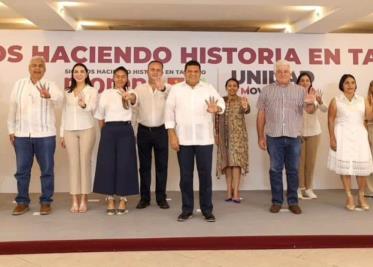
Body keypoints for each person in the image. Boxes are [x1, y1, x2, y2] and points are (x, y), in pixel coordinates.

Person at [165, 60, 225, 222]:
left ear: (200, 73)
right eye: (189, 71)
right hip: (183, 140)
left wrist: (216, 109)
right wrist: (172, 135)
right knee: (185, 177)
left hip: (204, 139)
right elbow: (169, 113)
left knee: (205, 176)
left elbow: (221, 103)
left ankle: (207, 210)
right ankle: (187, 209)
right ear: (184, 73)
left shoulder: (208, 88)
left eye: (195, 71)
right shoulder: (176, 90)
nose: (192, 74)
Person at [256, 60, 316, 215]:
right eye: (279, 71)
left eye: (286, 71)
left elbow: (309, 110)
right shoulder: (266, 90)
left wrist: (312, 102)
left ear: (291, 74)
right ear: (275, 73)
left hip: (293, 136)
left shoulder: (300, 91)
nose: (282, 74)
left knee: (293, 170)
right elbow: (261, 114)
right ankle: (276, 201)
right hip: (273, 136)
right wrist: (260, 136)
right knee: (275, 170)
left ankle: (293, 201)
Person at [7, 56, 63, 215]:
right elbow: (12, 108)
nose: (37, 68)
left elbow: (60, 101)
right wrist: (11, 130)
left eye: (40, 66)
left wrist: (49, 95)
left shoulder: (51, 85)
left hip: (45, 135)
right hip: (22, 135)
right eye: (34, 66)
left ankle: (46, 201)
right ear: (29, 68)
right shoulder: (19, 84)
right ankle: (22, 201)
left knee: (47, 170)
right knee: (22, 171)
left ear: (44, 69)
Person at [93, 66, 139, 215]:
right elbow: (100, 117)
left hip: (125, 130)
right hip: (108, 130)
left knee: (124, 164)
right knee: (108, 165)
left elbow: (134, 101)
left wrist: (129, 97)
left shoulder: (131, 92)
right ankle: (110, 198)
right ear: (113, 78)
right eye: (117, 76)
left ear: (127, 78)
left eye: (123, 76)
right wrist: (105, 133)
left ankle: (123, 199)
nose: (120, 79)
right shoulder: (105, 94)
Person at [327, 74, 373, 211]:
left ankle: (361, 196)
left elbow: (369, 117)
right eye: (347, 83)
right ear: (342, 85)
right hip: (342, 134)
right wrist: (332, 138)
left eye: (353, 82)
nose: (350, 85)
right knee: (345, 168)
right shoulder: (335, 100)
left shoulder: (362, 100)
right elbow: (330, 119)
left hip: (359, 135)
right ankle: (349, 196)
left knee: (362, 168)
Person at [60, 63, 98, 213]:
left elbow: (92, 108)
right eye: (76, 71)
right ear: (72, 74)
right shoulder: (67, 92)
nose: (79, 74)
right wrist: (62, 134)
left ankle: (84, 198)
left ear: (87, 74)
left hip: (87, 129)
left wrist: (83, 104)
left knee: (85, 163)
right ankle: (74, 199)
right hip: (69, 130)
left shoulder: (92, 90)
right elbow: (64, 113)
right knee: (73, 164)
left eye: (82, 71)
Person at [134, 60, 170, 209]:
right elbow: (133, 102)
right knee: (144, 167)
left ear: (162, 72)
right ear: (147, 72)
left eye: (158, 70)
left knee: (162, 166)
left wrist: (162, 89)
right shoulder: (139, 88)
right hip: (143, 131)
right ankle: (145, 198)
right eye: (152, 69)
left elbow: (173, 100)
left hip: (161, 131)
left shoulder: (168, 88)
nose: (155, 72)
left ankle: (161, 198)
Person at [215, 77, 250, 203]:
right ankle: (229, 191)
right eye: (229, 85)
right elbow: (216, 118)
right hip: (224, 136)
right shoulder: (221, 101)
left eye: (235, 85)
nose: (232, 87)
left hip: (238, 136)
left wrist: (245, 107)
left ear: (238, 88)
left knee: (236, 163)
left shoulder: (242, 100)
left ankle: (236, 192)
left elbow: (246, 110)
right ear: (226, 87)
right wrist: (217, 134)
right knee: (227, 163)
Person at [296, 72, 327, 199]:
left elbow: (324, 109)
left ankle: (309, 188)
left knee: (311, 162)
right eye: (302, 80)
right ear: (298, 83)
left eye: (307, 80)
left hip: (314, 132)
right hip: (299, 133)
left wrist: (319, 101)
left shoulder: (315, 95)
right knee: (299, 163)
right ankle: (299, 188)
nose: (304, 82)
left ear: (310, 82)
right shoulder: (294, 96)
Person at [365, 81, 373, 195]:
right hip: (370, 128)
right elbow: (367, 116)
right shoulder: (366, 99)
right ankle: (369, 189)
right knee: (369, 160)